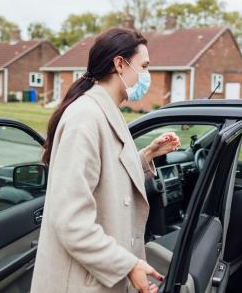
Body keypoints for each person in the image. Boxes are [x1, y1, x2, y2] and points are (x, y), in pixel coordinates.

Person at [30, 28, 181, 293]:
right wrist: (127, 265)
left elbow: (107, 172)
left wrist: (147, 156)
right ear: (120, 64)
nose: (147, 76)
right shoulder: (85, 118)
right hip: (78, 283)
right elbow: (70, 221)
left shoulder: (105, 110)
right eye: (144, 66)